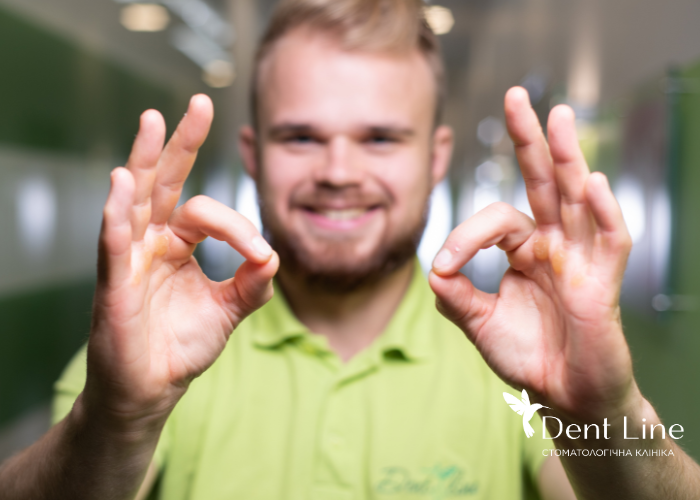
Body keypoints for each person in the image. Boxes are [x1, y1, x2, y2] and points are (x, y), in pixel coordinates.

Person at [1, 0, 699, 498]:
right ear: (253, 155)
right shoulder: (157, 349)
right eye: (301, 136)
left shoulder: (515, 356)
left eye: (381, 138)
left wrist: (603, 416)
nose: (338, 172)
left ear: (436, 157)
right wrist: (118, 421)